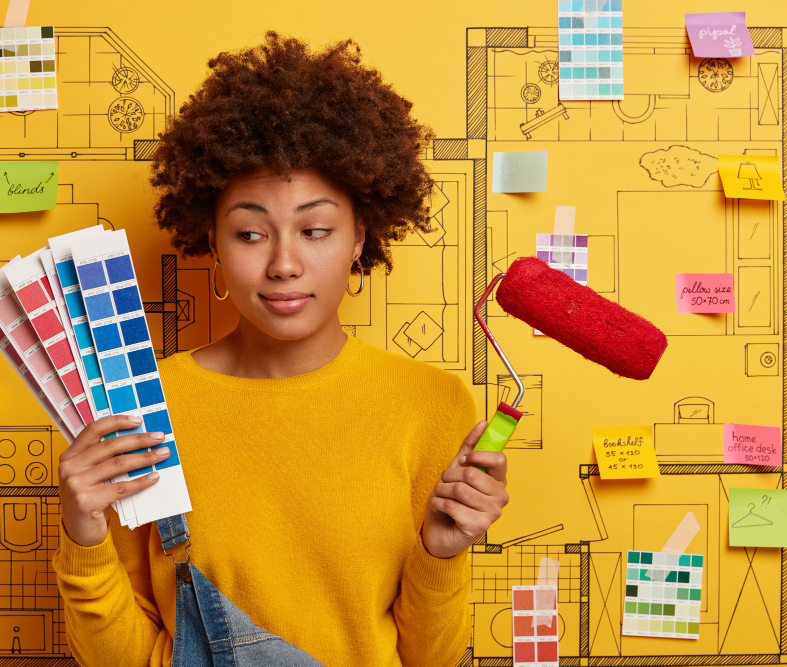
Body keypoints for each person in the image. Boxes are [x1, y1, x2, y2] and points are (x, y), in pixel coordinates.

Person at [52, 32, 509, 667]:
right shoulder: (138, 406)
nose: (284, 264)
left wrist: (441, 551)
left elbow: (430, 659)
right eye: (249, 233)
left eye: (315, 230)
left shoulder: (432, 404)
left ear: (359, 238)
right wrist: (82, 532)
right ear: (211, 244)